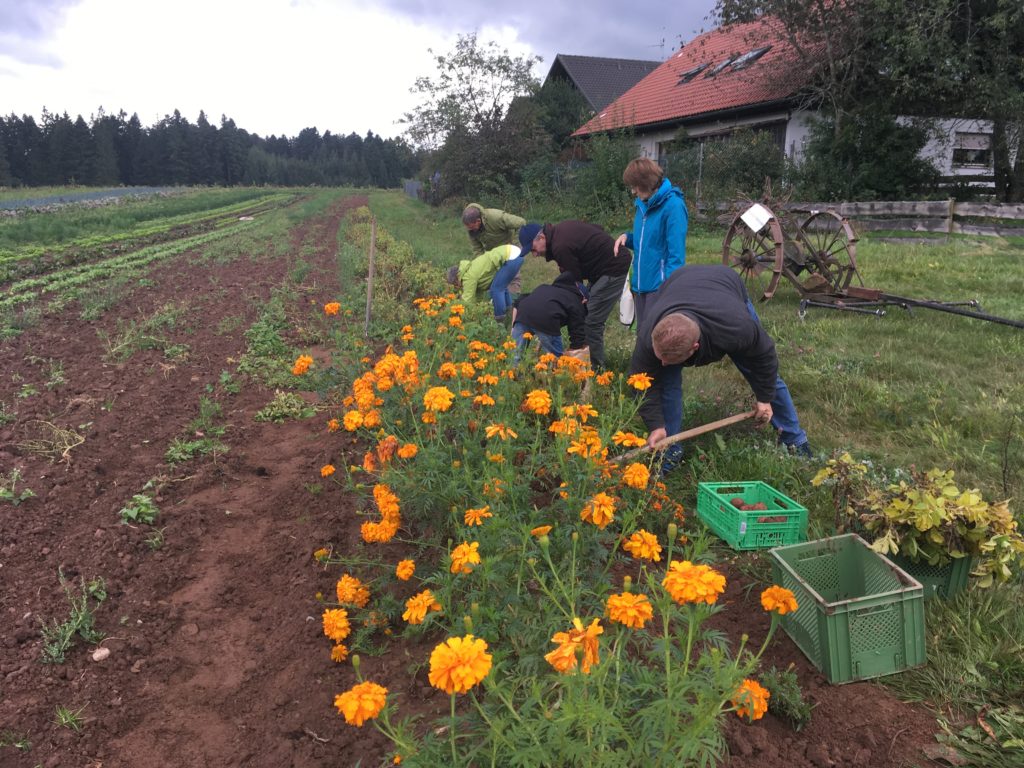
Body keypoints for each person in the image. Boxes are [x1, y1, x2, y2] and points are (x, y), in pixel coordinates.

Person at [628, 264, 812, 466]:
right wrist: (656, 425)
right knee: (665, 383)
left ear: (694, 348)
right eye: (659, 356)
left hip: (725, 285)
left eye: (668, 359)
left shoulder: (736, 328)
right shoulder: (650, 334)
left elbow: (764, 357)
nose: (661, 363)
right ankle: (669, 452)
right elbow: (642, 384)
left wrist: (765, 397)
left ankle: (796, 442)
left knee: (763, 375)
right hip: (679, 283)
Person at [614, 157, 689, 465]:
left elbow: (675, 257)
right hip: (642, 291)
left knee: (667, 366)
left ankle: (672, 447)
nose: (633, 192)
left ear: (647, 184)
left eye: (635, 187)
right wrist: (627, 238)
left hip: (661, 293)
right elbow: (646, 244)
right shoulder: (643, 206)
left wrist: (667, 298)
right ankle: (654, 427)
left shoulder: (672, 207)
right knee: (649, 363)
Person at [522, 220, 630, 369]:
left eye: (533, 249)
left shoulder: (560, 247)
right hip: (601, 270)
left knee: (591, 321)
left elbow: (574, 284)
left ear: (541, 238)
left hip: (615, 267)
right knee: (585, 311)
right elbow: (598, 227)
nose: (534, 255)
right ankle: (586, 361)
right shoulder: (559, 232)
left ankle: (596, 371)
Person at [463, 204, 527, 320]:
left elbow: (521, 222)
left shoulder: (496, 217)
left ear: (478, 221)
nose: (470, 231)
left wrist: (518, 246)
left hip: (509, 252)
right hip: (492, 256)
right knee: (496, 283)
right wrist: (482, 265)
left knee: (512, 280)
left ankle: (514, 314)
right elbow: (477, 249)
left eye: (472, 228)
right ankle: (503, 309)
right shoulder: (472, 230)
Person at [510, 272, 589, 364]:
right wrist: (576, 349)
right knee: (555, 359)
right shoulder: (575, 300)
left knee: (515, 355)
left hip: (522, 314)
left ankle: (512, 375)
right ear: (584, 299)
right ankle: (554, 375)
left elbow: (520, 300)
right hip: (547, 320)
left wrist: (513, 325)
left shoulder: (544, 288)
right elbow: (577, 330)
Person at [446, 242, 523, 320]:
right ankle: (510, 313)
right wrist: (478, 308)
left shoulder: (468, 277)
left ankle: (500, 319)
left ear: (456, 280)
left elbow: (467, 299)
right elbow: (477, 296)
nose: (459, 287)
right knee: (501, 286)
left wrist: (458, 313)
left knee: (496, 289)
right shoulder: (469, 270)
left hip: (510, 256)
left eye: (455, 285)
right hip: (513, 253)